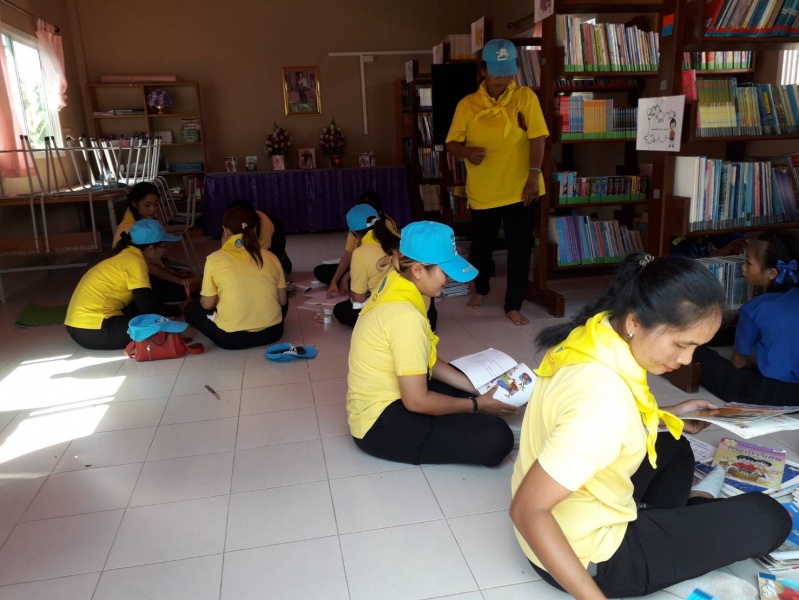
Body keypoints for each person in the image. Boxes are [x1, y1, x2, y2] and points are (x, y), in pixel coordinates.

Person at [509, 253, 790, 599]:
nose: (686, 359)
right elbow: (528, 510)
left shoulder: (595, 332)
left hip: (569, 520)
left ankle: (665, 534)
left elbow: (586, 416)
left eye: (696, 347)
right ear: (636, 321)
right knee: (769, 517)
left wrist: (669, 413)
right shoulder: (602, 404)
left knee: (674, 445)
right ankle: (670, 541)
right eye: (681, 344)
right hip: (588, 558)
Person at [346, 221, 515, 466]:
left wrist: (473, 387)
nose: (448, 279)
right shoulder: (405, 316)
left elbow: (425, 359)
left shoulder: (400, 281)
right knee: (497, 438)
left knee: (466, 385)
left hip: (399, 391)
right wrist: (476, 405)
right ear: (417, 270)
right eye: (444, 271)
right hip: (379, 423)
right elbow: (416, 401)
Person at [445, 38, 549, 326]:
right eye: (496, 72)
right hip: (484, 191)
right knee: (482, 247)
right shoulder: (468, 104)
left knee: (519, 249)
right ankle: (481, 289)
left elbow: (538, 138)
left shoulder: (525, 98)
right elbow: (451, 143)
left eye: (506, 72)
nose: (502, 79)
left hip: (520, 189)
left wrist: (533, 176)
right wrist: (466, 152)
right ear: (483, 71)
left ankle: (513, 305)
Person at [694, 230, 799, 405]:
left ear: (771, 273)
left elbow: (738, 363)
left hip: (773, 393)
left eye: (748, 263)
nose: (743, 268)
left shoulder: (752, 310)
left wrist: (758, 363)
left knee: (699, 354)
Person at [65, 220, 182, 350]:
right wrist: (178, 310)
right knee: (157, 328)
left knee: (143, 315)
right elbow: (147, 308)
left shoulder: (125, 255)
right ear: (150, 248)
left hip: (79, 327)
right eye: (165, 246)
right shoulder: (135, 262)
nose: (166, 251)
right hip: (95, 329)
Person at [183, 204, 287, 350]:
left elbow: (207, 305)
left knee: (192, 308)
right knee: (280, 294)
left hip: (232, 339)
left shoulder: (214, 259)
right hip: (272, 333)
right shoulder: (271, 257)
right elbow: (283, 301)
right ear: (255, 229)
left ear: (225, 230)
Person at [112, 182, 197, 303]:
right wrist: (178, 279)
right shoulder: (129, 228)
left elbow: (153, 262)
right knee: (188, 289)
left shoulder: (145, 220)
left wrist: (173, 272)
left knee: (188, 277)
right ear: (134, 204)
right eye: (147, 205)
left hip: (148, 268)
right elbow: (148, 266)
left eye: (156, 204)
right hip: (138, 277)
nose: (153, 209)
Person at [313, 191, 398, 298]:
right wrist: (335, 280)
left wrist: (347, 279)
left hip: (378, 274)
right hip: (373, 271)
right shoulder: (363, 231)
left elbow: (358, 301)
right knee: (321, 271)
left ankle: (359, 286)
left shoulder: (385, 227)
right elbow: (347, 255)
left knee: (344, 304)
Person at [332, 204, 397, 328]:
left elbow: (359, 300)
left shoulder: (360, 253)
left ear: (354, 234)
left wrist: (353, 293)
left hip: (389, 313)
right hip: (414, 305)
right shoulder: (396, 238)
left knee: (341, 309)